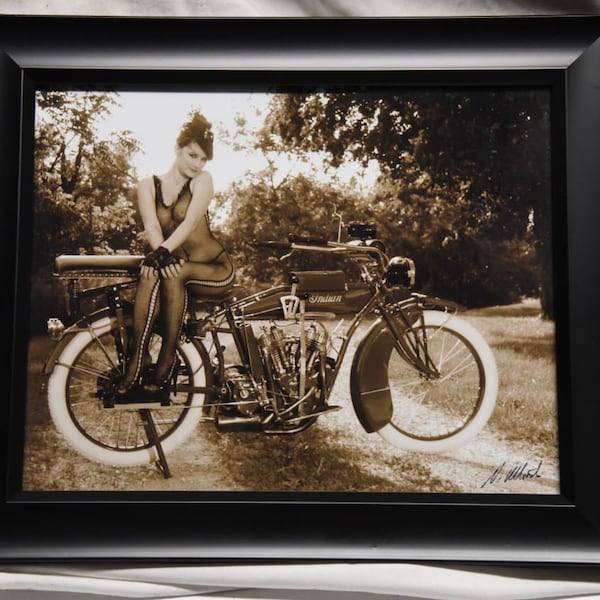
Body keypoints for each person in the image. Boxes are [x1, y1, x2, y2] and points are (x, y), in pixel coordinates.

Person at [116, 111, 235, 403]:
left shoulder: (203, 180)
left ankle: (165, 363)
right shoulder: (147, 185)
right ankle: (139, 358)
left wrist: (163, 252)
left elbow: (191, 221)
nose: (198, 164)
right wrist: (160, 256)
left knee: (170, 269)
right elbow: (152, 226)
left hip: (216, 270)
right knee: (154, 272)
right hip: (180, 267)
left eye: (203, 159)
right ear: (177, 149)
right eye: (192, 155)